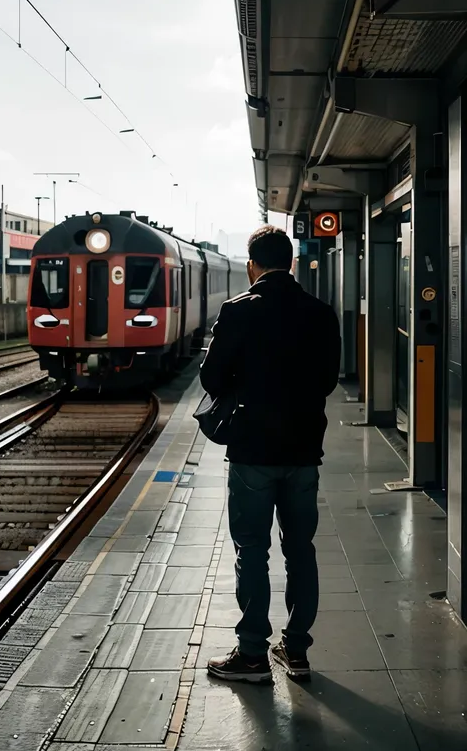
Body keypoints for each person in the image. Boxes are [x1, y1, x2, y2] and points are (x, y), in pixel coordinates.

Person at [200, 225, 341, 683]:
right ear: (293, 263)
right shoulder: (320, 313)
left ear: (251, 266)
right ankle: (296, 651)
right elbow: (326, 381)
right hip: (303, 451)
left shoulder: (238, 311)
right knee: (301, 549)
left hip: (252, 452)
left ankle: (253, 656)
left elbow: (211, 380)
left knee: (252, 551)